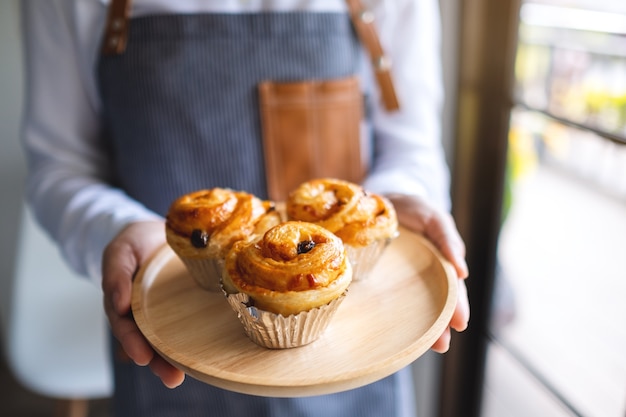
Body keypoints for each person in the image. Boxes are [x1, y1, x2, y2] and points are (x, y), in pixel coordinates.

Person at [20, 0, 470, 416]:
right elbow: (59, 164)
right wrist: (118, 227)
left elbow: (412, 146)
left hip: (356, 353)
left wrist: (403, 195)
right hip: (171, 334)